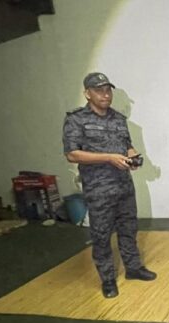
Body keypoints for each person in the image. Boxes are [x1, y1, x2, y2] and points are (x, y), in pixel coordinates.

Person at [63, 72, 157, 298]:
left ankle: (133, 268)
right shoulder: (76, 120)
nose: (105, 95)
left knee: (128, 229)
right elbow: (72, 154)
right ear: (87, 94)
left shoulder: (118, 119)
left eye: (107, 90)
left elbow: (127, 146)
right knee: (101, 235)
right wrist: (108, 158)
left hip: (124, 186)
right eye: (99, 91)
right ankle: (107, 279)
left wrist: (133, 157)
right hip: (99, 190)